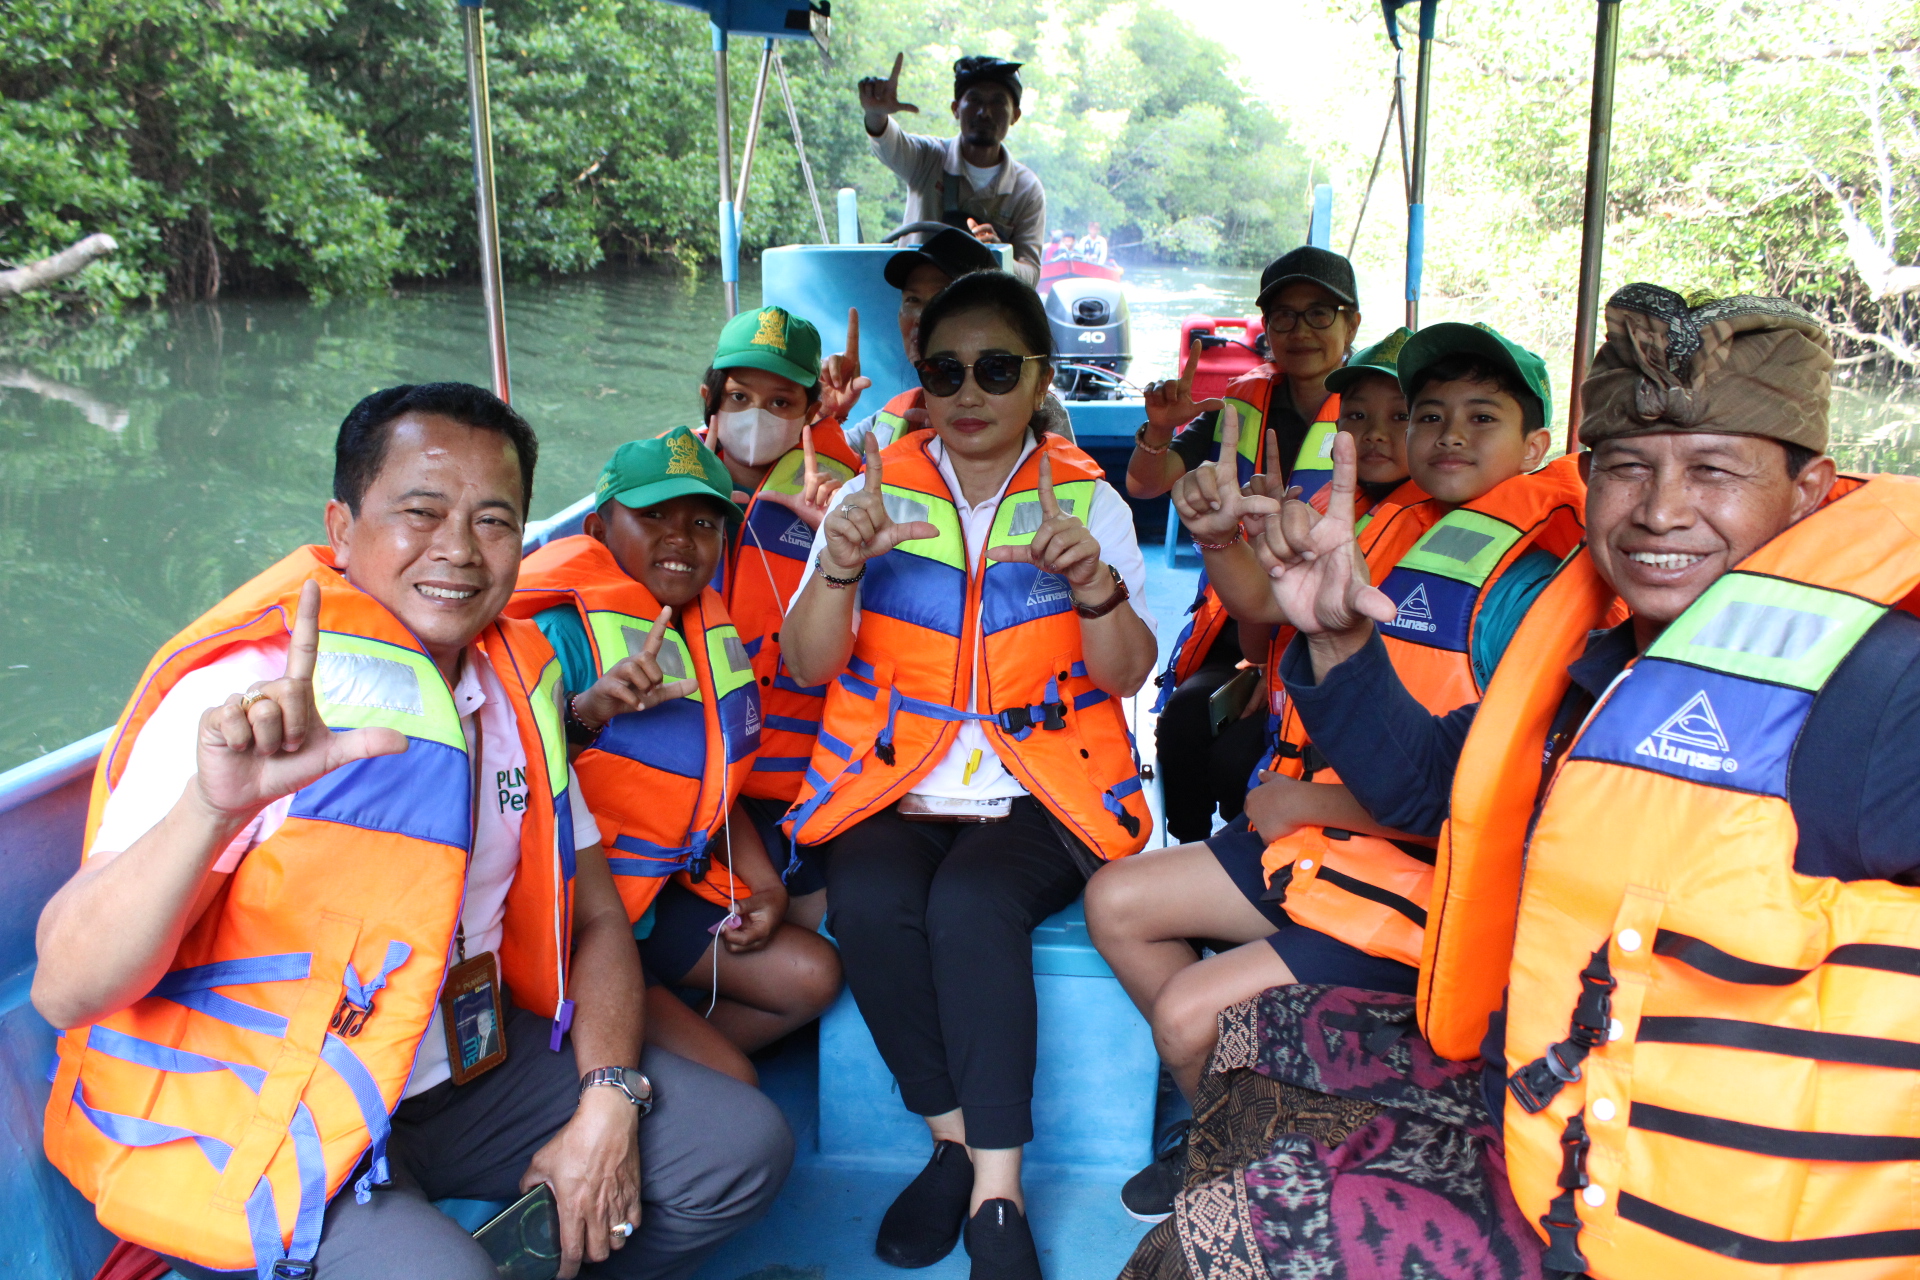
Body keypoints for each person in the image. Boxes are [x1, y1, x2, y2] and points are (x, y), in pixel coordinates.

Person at [1126, 285, 1920, 1277]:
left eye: (1715, 471)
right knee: (1244, 1055)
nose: (1663, 509)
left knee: (1192, 1253)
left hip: (1714, 1224)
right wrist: (1338, 641)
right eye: (1628, 469)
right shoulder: (1606, 663)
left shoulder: (1881, 689)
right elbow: (1430, 787)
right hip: (1552, 1108)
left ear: (1810, 491)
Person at [33, 383, 793, 1280]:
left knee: (741, 1149)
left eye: (494, 521)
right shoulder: (247, 696)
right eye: (420, 513)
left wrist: (607, 1102)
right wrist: (215, 807)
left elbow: (594, 924)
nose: (459, 553)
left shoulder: (518, 690)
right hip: (280, 1105)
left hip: (466, 1075)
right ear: (342, 527)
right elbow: (64, 989)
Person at [1087, 321, 1588, 1225]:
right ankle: (1243, 1115)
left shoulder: (1534, 581)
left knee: (1187, 1014)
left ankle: (1230, 1152)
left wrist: (1306, 800)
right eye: (1429, 413)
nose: (1447, 434)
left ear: (1538, 445)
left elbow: (1494, 799)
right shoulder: (1398, 527)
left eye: (1483, 417)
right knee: (1117, 903)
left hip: (1420, 891)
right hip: (1330, 845)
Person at [779, 271, 1156, 1280]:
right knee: (867, 897)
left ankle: (997, 1186)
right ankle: (946, 1134)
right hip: (893, 779)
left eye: (998, 368)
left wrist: (1093, 584)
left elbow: (1127, 673)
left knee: (971, 903)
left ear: (1038, 377)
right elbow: (809, 663)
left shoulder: (1087, 499)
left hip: (1044, 785)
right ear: (923, 380)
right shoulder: (871, 495)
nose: (971, 391)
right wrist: (841, 569)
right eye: (947, 369)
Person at [510, 428, 842, 1082]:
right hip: (584, 922)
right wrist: (588, 712)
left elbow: (709, 783)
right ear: (600, 530)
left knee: (814, 976)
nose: (679, 538)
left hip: (658, 898)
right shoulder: (557, 632)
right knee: (738, 1083)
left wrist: (768, 889)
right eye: (652, 516)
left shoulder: (701, 630)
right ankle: (639, 1077)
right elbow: (516, 776)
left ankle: (663, 1075)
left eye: (701, 523)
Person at [1147, 327, 1419, 846]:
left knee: (1235, 762)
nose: (1376, 433)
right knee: (1185, 720)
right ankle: (1189, 844)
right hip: (1283, 689)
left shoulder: (1455, 538)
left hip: (1371, 755)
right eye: (1357, 416)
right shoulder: (1319, 513)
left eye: (1404, 415)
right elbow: (1258, 629)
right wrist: (1235, 541)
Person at [1129, 247, 1363, 835]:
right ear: (1265, 328)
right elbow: (1146, 482)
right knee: (1182, 722)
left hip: (1326, 624)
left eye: (1319, 314)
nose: (1300, 331)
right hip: (1241, 610)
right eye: (1283, 316)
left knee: (1240, 764)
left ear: (1351, 322)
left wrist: (1270, 664)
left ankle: (1250, 877)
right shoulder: (1243, 403)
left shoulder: (1377, 412)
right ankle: (1185, 855)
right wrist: (1161, 429)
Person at [693, 305, 863, 930]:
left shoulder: (846, 494)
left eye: (781, 401)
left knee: (828, 927)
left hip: (798, 780)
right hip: (693, 769)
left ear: (809, 411)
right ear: (709, 396)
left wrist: (834, 541)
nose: (756, 415)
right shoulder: (661, 492)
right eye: (739, 395)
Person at [859, 54, 1047, 284]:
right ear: (956, 108)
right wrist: (876, 114)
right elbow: (891, 145)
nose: (984, 112)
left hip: (979, 312)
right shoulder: (928, 157)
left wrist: (999, 256)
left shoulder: (1026, 189)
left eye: (997, 102)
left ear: (1015, 115)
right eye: (975, 100)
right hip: (919, 305)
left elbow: (1030, 275)